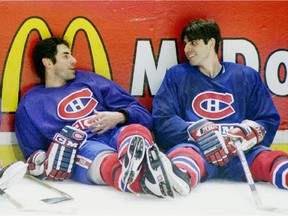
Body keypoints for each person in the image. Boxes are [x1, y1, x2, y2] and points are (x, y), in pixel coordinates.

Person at [15, 36, 192, 198]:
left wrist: (119, 116)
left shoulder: (90, 80)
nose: (74, 60)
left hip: (115, 134)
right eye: (66, 56)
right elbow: (33, 155)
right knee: (102, 161)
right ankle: (147, 176)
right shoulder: (30, 103)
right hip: (82, 148)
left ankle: (140, 159)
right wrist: (43, 160)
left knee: (134, 132)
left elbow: (144, 116)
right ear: (47, 62)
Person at [152, 19, 288, 191]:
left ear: (211, 43)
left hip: (240, 152)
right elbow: (162, 118)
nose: (187, 49)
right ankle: (175, 178)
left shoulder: (245, 76)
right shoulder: (176, 75)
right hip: (197, 149)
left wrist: (250, 132)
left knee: (270, 161)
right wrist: (197, 133)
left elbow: (267, 117)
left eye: (193, 43)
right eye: (185, 44)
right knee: (183, 159)